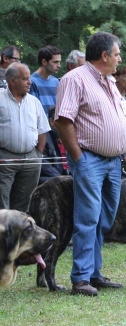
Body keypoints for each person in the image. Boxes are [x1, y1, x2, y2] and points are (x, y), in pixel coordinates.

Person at [55, 31, 126, 296]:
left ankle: (94, 273)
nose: (119, 59)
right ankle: (80, 278)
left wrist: (125, 151)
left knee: (105, 217)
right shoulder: (74, 79)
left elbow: (118, 118)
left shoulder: (109, 82)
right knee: (88, 218)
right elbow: (63, 121)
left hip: (114, 161)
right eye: (116, 54)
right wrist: (79, 158)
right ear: (104, 56)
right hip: (90, 159)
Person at [0, 63, 50, 211]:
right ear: (12, 80)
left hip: (31, 159)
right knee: (2, 202)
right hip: (5, 158)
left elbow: (42, 129)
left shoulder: (34, 101)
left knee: (25, 202)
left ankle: (20, 233)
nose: (30, 82)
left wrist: (38, 154)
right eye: (25, 79)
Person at [39, 106, 70, 184]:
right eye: (63, 121)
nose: (67, 124)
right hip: (51, 178)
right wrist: (61, 179)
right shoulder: (43, 138)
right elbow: (44, 165)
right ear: (52, 121)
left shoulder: (72, 138)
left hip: (69, 177)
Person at [30, 45, 62, 117]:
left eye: (59, 62)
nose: (59, 65)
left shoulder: (56, 82)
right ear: (44, 62)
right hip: (40, 126)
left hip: (55, 126)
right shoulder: (31, 82)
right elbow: (32, 109)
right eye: (55, 62)